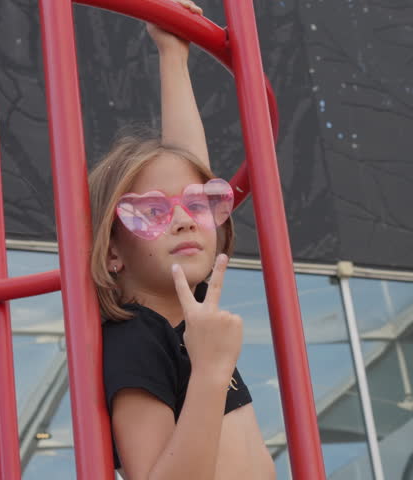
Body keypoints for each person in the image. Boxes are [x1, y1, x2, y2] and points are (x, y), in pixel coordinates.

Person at [88, 1, 276, 478]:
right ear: (112, 252)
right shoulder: (137, 337)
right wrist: (211, 372)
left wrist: (173, 54)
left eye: (198, 205)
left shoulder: (190, 323)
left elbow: (188, 162)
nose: (184, 220)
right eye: (151, 212)